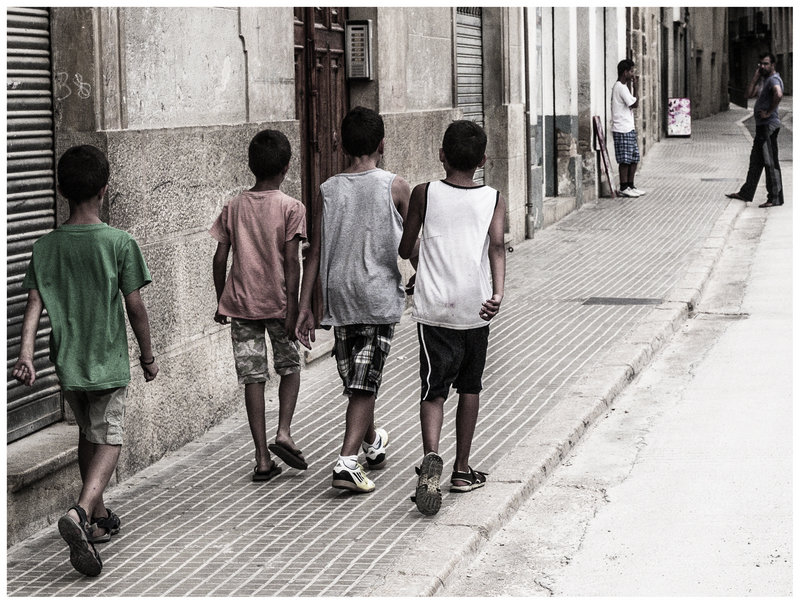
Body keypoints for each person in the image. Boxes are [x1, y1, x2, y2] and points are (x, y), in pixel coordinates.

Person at [12, 145, 158, 576]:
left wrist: (25, 355)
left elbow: (34, 304)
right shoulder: (118, 242)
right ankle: (79, 512)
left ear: (61, 192)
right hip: (107, 361)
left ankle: (97, 516)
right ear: (104, 188)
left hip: (68, 364)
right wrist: (148, 356)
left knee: (89, 434)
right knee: (110, 438)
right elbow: (135, 306)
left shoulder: (45, 246)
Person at [295, 106, 411, 494]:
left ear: (342, 145)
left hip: (340, 297)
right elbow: (413, 245)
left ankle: (368, 444)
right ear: (383, 144)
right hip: (376, 297)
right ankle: (349, 460)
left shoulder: (328, 189)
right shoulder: (396, 186)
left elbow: (314, 252)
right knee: (361, 382)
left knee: (360, 379)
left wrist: (306, 306)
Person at [398, 120, 506, 516]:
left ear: (441, 154)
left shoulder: (423, 193)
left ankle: (431, 457)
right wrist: (497, 294)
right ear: (483, 160)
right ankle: (461, 469)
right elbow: (497, 247)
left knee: (434, 389)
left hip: (435, 309)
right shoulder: (493, 198)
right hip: (476, 306)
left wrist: (423, 262)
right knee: (470, 387)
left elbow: (405, 247)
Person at [210, 129, 308, 482]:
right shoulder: (291, 207)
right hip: (279, 305)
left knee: (253, 377)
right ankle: (283, 431)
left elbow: (219, 258)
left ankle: (262, 458)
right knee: (290, 367)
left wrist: (222, 300)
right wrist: (294, 308)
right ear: (286, 167)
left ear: (250, 166)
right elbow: (292, 262)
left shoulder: (233, 206)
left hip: (241, 305)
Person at [726, 52, 785, 208]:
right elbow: (748, 94)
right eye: (761, 64)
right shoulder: (764, 80)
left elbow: (779, 94)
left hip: (768, 126)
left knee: (770, 162)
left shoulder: (773, 79)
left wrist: (769, 112)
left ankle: (775, 198)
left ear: (773, 65)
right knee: (756, 162)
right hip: (761, 127)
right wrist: (755, 77)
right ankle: (746, 193)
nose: (762, 66)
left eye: (766, 64)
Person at [611, 59, 646, 198]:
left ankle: (631, 185)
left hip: (628, 127)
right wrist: (636, 87)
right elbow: (634, 104)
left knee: (634, 158)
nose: (633, 74)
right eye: (631, 71)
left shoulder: (624, 87)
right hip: (621, 128)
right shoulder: (619, 87)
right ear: (625, 72)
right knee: (625, 160)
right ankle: (624, 186)